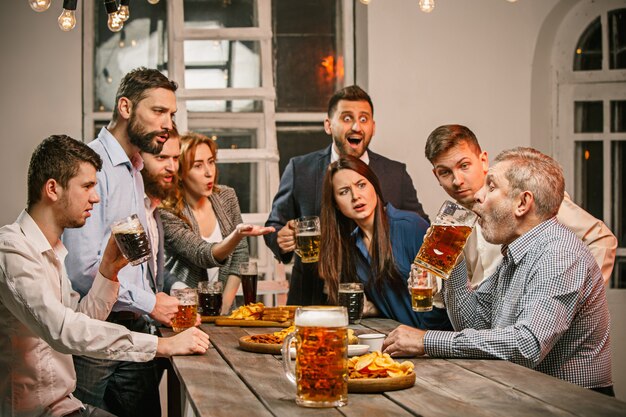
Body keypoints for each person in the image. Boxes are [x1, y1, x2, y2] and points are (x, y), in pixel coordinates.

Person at [0, 135, 209, 417]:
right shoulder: (12, 249)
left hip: (66, 405)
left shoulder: (54, 252)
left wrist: (109, 271)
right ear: (52, 189)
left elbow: (82, 317)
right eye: (87, 186)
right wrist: (161, 345)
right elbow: (64, 331)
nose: (95, 198)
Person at [383, 147, 613, 395]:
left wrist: (425, 340)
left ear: (523, 203)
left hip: (574, 402)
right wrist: (454, 261)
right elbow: (473, 323)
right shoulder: (514, 254)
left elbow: (527, 345)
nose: (478, 196)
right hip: (528, 395)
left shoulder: (559, 253)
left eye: (491, 187)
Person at [62, 67, 180, 416]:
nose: (168, 124)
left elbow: (136, 260)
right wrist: (149, 302)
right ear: (126, 107)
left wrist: (153, 305)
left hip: (136, 330)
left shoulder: (135, 169)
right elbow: (83, 271)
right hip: (96, 337)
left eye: (171, 114)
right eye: (158, 111)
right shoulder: (91, 166)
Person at [265, 85, 429, 305]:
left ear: (373, 126)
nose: (356, 126)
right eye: (346, 118)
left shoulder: (395, 174)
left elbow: (423, 233)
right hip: (313, 299)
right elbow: (274, 226)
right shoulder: (300, 169)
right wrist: (280, 238)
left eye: (363, 119)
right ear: (328, 125)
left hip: (380, 305)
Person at [424, 124, 617, 286]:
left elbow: (600, 239)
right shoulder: (450, 223)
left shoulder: (521, 191)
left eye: (464, 166)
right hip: (482, 327)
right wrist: (431, 279)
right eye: (445, 173)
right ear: (436, 176)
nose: (457, 180)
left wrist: (580, 296)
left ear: (483, 161)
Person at [318, 156, 452, 329]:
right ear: (335, 204)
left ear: (374, 185)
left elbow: (443, 297)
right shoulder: (350, 246)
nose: (355, 196)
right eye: (344, 191)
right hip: (397, 341)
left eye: (361, 185)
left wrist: (424, 339)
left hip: (434, 340)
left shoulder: (411, 226)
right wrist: (375, 309)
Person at [160, 132, 274, 314]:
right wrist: (236, 235)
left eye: (211, 162)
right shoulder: (167, 211)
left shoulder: (226, 196)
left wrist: (225, 307)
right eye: (198, 165)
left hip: (225, 312)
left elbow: (240, 255)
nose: (209, 172)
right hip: (184, 312)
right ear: (180, 173)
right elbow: (202, 254)